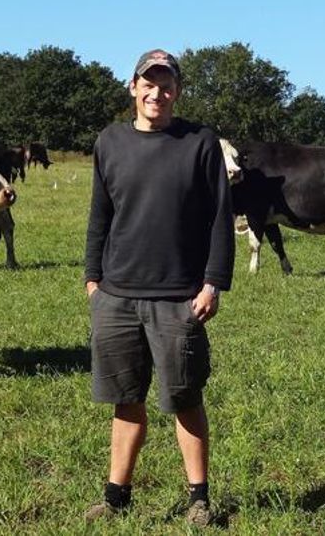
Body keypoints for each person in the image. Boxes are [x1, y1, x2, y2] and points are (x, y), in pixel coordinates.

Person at [82, 48, 234, 527]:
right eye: (149, 83)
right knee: (126, 400)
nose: (157, 92)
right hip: (118, 294)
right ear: (133, 88)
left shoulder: (200, 143)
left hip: (178, 298)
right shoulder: (110, 142)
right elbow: (100, 215)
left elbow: (219, 219)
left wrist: (213, 283)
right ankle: (115, 495)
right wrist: (92, 280)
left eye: (167, 85)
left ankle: (199, 499)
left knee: (184, 400)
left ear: (178, 92)